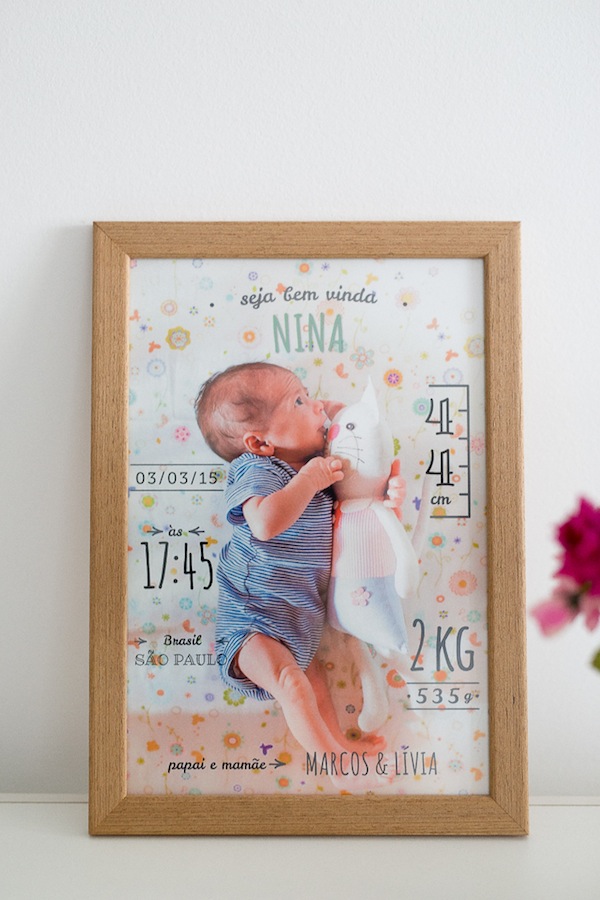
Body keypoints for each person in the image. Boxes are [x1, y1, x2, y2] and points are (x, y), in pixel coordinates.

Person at [195, 362, 401, 774]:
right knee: (292, 685)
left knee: (313, 691)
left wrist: (383, 492)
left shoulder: (319, 470)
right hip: (252, 622)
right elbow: (264, 524)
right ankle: (335, 763)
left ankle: (340, 744)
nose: (316, 404)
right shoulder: (257, 470)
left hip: (300, 624)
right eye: (300, 400)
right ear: (260, 442)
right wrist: (308, 480)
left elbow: (356, 483)